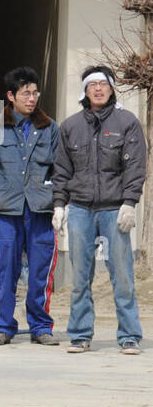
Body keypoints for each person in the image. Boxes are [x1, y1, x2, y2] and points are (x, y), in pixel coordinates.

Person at [53, 65, 146, 354]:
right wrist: (59, 204)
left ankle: (129, 335)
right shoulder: (70, 126)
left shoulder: (126, 122)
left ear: (111, 88)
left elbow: (135, 166)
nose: (98, 89)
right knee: (80, 276)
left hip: (114, 208)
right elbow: (61, 169)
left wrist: (130, 202)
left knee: (123, 276)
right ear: (85, 90)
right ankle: (80, 335)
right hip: (80, 208)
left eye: (102, 84)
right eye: (92, 85)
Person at [0, 66, 61, 346]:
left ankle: (41, 326)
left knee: (40, 271)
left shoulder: (50, 128)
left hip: (41, 209)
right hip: (5, 210)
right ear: (11, 95)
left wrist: (61, 204)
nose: (32, 98)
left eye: (35, 93)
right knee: (5, 271)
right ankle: (3, 325)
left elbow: (60, 169)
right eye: (26, 93)